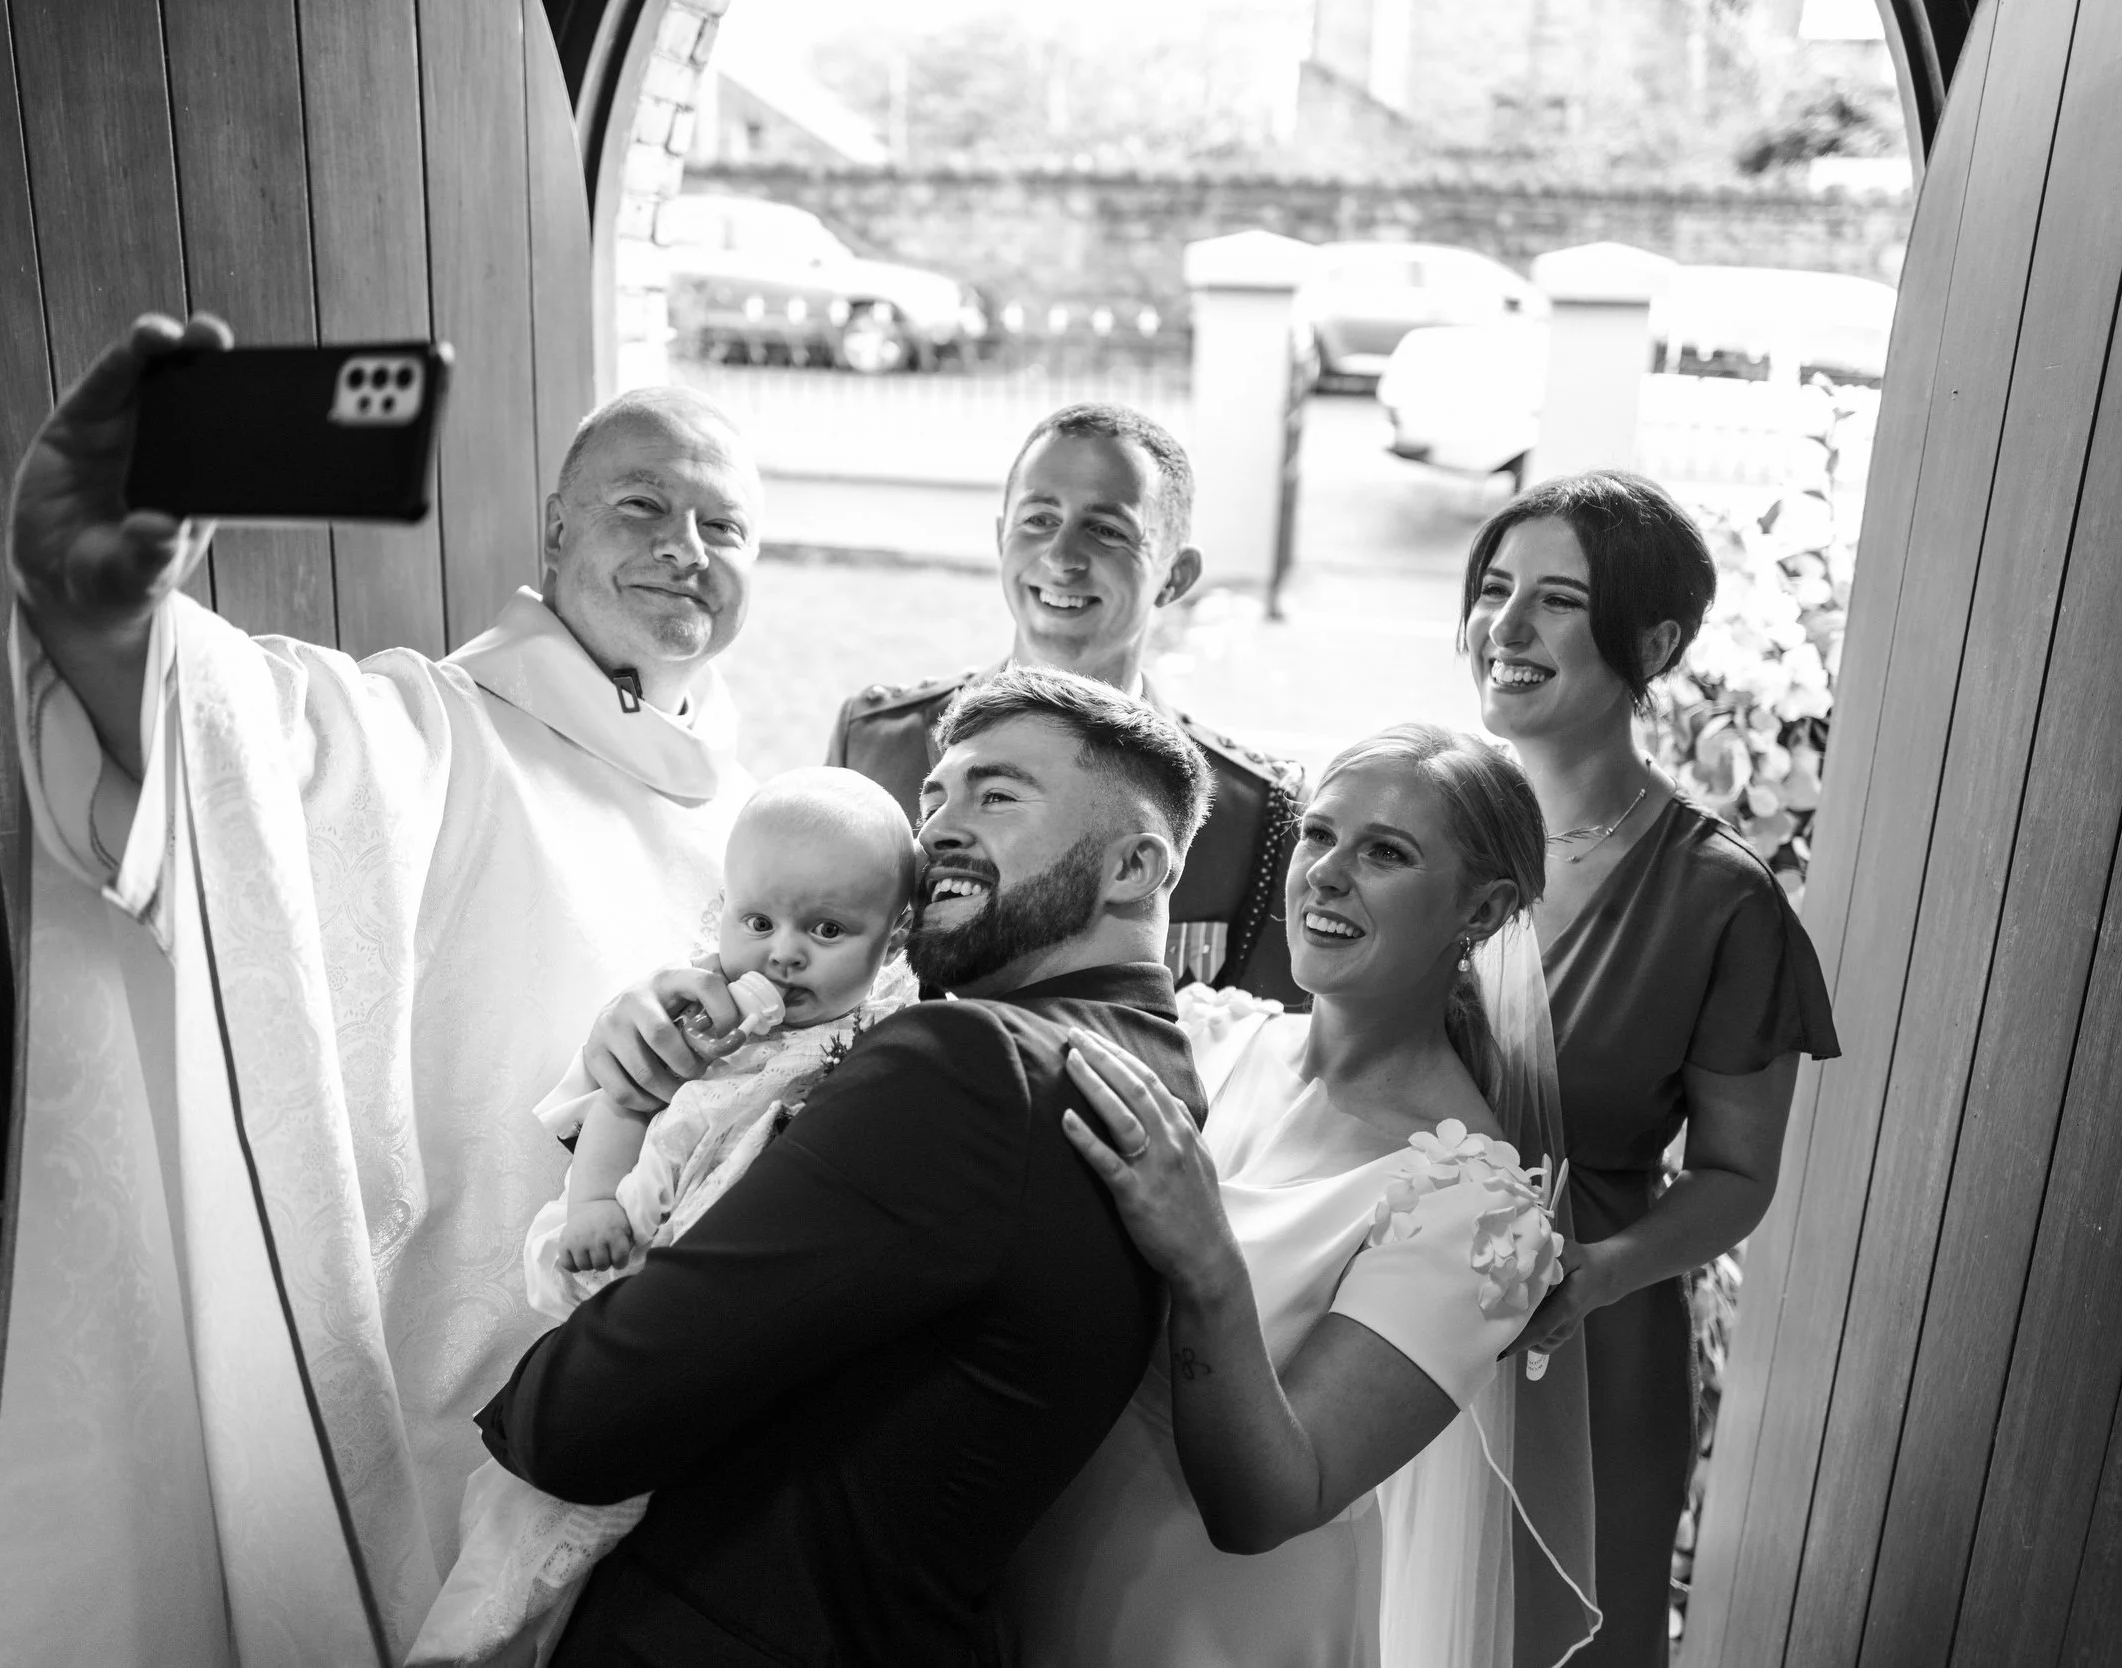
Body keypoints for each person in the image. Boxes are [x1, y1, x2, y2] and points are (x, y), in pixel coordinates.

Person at [0, 312, 767, 1660]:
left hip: (664, 1412)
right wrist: (100, 612)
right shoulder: (438, 731)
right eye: (642, 505)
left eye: (725, 527)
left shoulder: (751, 813)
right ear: (554, 538)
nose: (684, 548)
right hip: (458, 1400)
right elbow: (253, 754)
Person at [478, 667, 1214, 1665]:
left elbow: (576, 1423)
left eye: (996, 796)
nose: (938, 831)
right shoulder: (1157, 1073)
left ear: (1134, 867)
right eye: (933, 798)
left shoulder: (969, 1067)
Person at [994, 724, 1600, 1668]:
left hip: (1212, 1625)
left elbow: (1269, 1504)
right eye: (1318, 834)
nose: (1325, 873)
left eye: (1385, 853)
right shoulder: (1203, 1038)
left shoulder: (1478, 1213)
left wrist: (1207, 1263)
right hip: (1015, 1565)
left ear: (1481, 909)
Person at [412, 768, 921, 1666]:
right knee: (515, 1547)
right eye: (757, 922)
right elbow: (623, 1102)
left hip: (713, 1331)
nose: (782, 955)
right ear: (724, 910)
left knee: (623, 1557)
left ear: (895, 937)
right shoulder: (704, 1012)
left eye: (826, 931)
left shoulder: (885, 1037)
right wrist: (593, 1204)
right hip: (628, 1260)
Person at [1472, 472, 1841, 1668]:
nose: (1505, 626)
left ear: (1654, 643)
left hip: (1583, 1343)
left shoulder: (1718, 899)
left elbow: (1736, 1176)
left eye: (1556, 601)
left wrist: (1601, 1273)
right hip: (1384, 1314)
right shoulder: (1425, 827)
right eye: (1493, 589)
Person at [827, 403, 1304, 1003]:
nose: (1061, 558)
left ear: (1175, 576)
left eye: (1107, 530)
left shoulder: (1255, 812)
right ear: (1000, 535)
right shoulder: (876, 745)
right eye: (1038, 519)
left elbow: (1263, 1043)